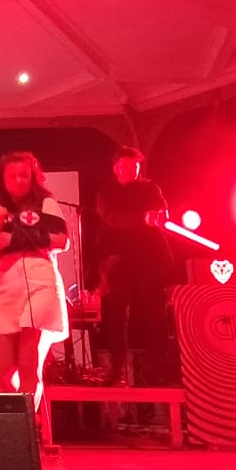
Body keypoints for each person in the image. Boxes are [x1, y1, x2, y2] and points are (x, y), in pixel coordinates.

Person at [0, 151, 69, 441]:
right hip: (6, 281)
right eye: (12, 175)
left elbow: (62, 241)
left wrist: (12, 238)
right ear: (2, 179)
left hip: (38, 278)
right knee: (3, 368)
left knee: (28, 361)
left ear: (33, 178)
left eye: (24, 175)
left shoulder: (46, 204)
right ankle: (12, 420)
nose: (19, 181)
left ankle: (25, 429)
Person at [94, 146, 173, 386]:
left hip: (149, 259)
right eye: (125, 166)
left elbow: (162, 209)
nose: (130, 170)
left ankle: (158, 371)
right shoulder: (106, 192)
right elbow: (113, 217)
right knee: (115, 317)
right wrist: (143, 218)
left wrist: (161, 215)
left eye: (134, 166)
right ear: (116, 168)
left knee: (155, 316)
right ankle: (116, 371)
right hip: (117, 261)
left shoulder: (150, 188)